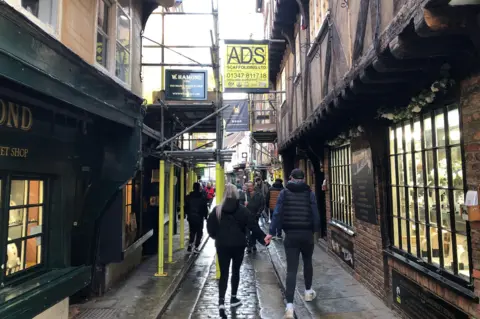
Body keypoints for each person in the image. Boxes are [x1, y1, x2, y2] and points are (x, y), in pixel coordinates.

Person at [207, 183, 270, 318]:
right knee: (236, 271)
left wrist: (217, 237)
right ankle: (233, 298)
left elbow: (210, 228)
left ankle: (221, 301)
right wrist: (264, 238)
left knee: (224, 273)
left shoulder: (217, 210)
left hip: (222, 245)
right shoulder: (242, 210)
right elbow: (253, 226)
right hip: (238, 245)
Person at [266, 169, 320, 319]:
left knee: (291, 270)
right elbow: (315, 212)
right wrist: (316, 230)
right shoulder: (309, 192)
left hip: (290, 235)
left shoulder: (284, 193)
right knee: (308, 262)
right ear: (303, 178)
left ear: (290, 178)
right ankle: (308, 292)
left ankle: (289, 306)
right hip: (307, 234)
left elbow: (277, 212)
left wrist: (271, 232)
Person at [185, 182, 209, 253]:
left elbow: (186, 207)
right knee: (199, 232)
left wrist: (187, 214)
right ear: (199, 188)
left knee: (192, 231)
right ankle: (196, 247)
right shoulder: (202, 197)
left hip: (191, 217)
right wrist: (206, 216)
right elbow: (205, 208)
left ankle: (190, 243)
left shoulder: (188, 197)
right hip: (199, 217)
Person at [245, 181, 264, 253]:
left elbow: (262, 205)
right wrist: (244, 205)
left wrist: (258, 213)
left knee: (254, 231)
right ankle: (249, 246)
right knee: (247, 232)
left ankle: (253, 244)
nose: (249, 188)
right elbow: (239, 204)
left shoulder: (259, 195)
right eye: (248, 186)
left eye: (250, 186)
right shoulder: (245, 195)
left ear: (253, 186)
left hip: (255, 216)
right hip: (246, 216)